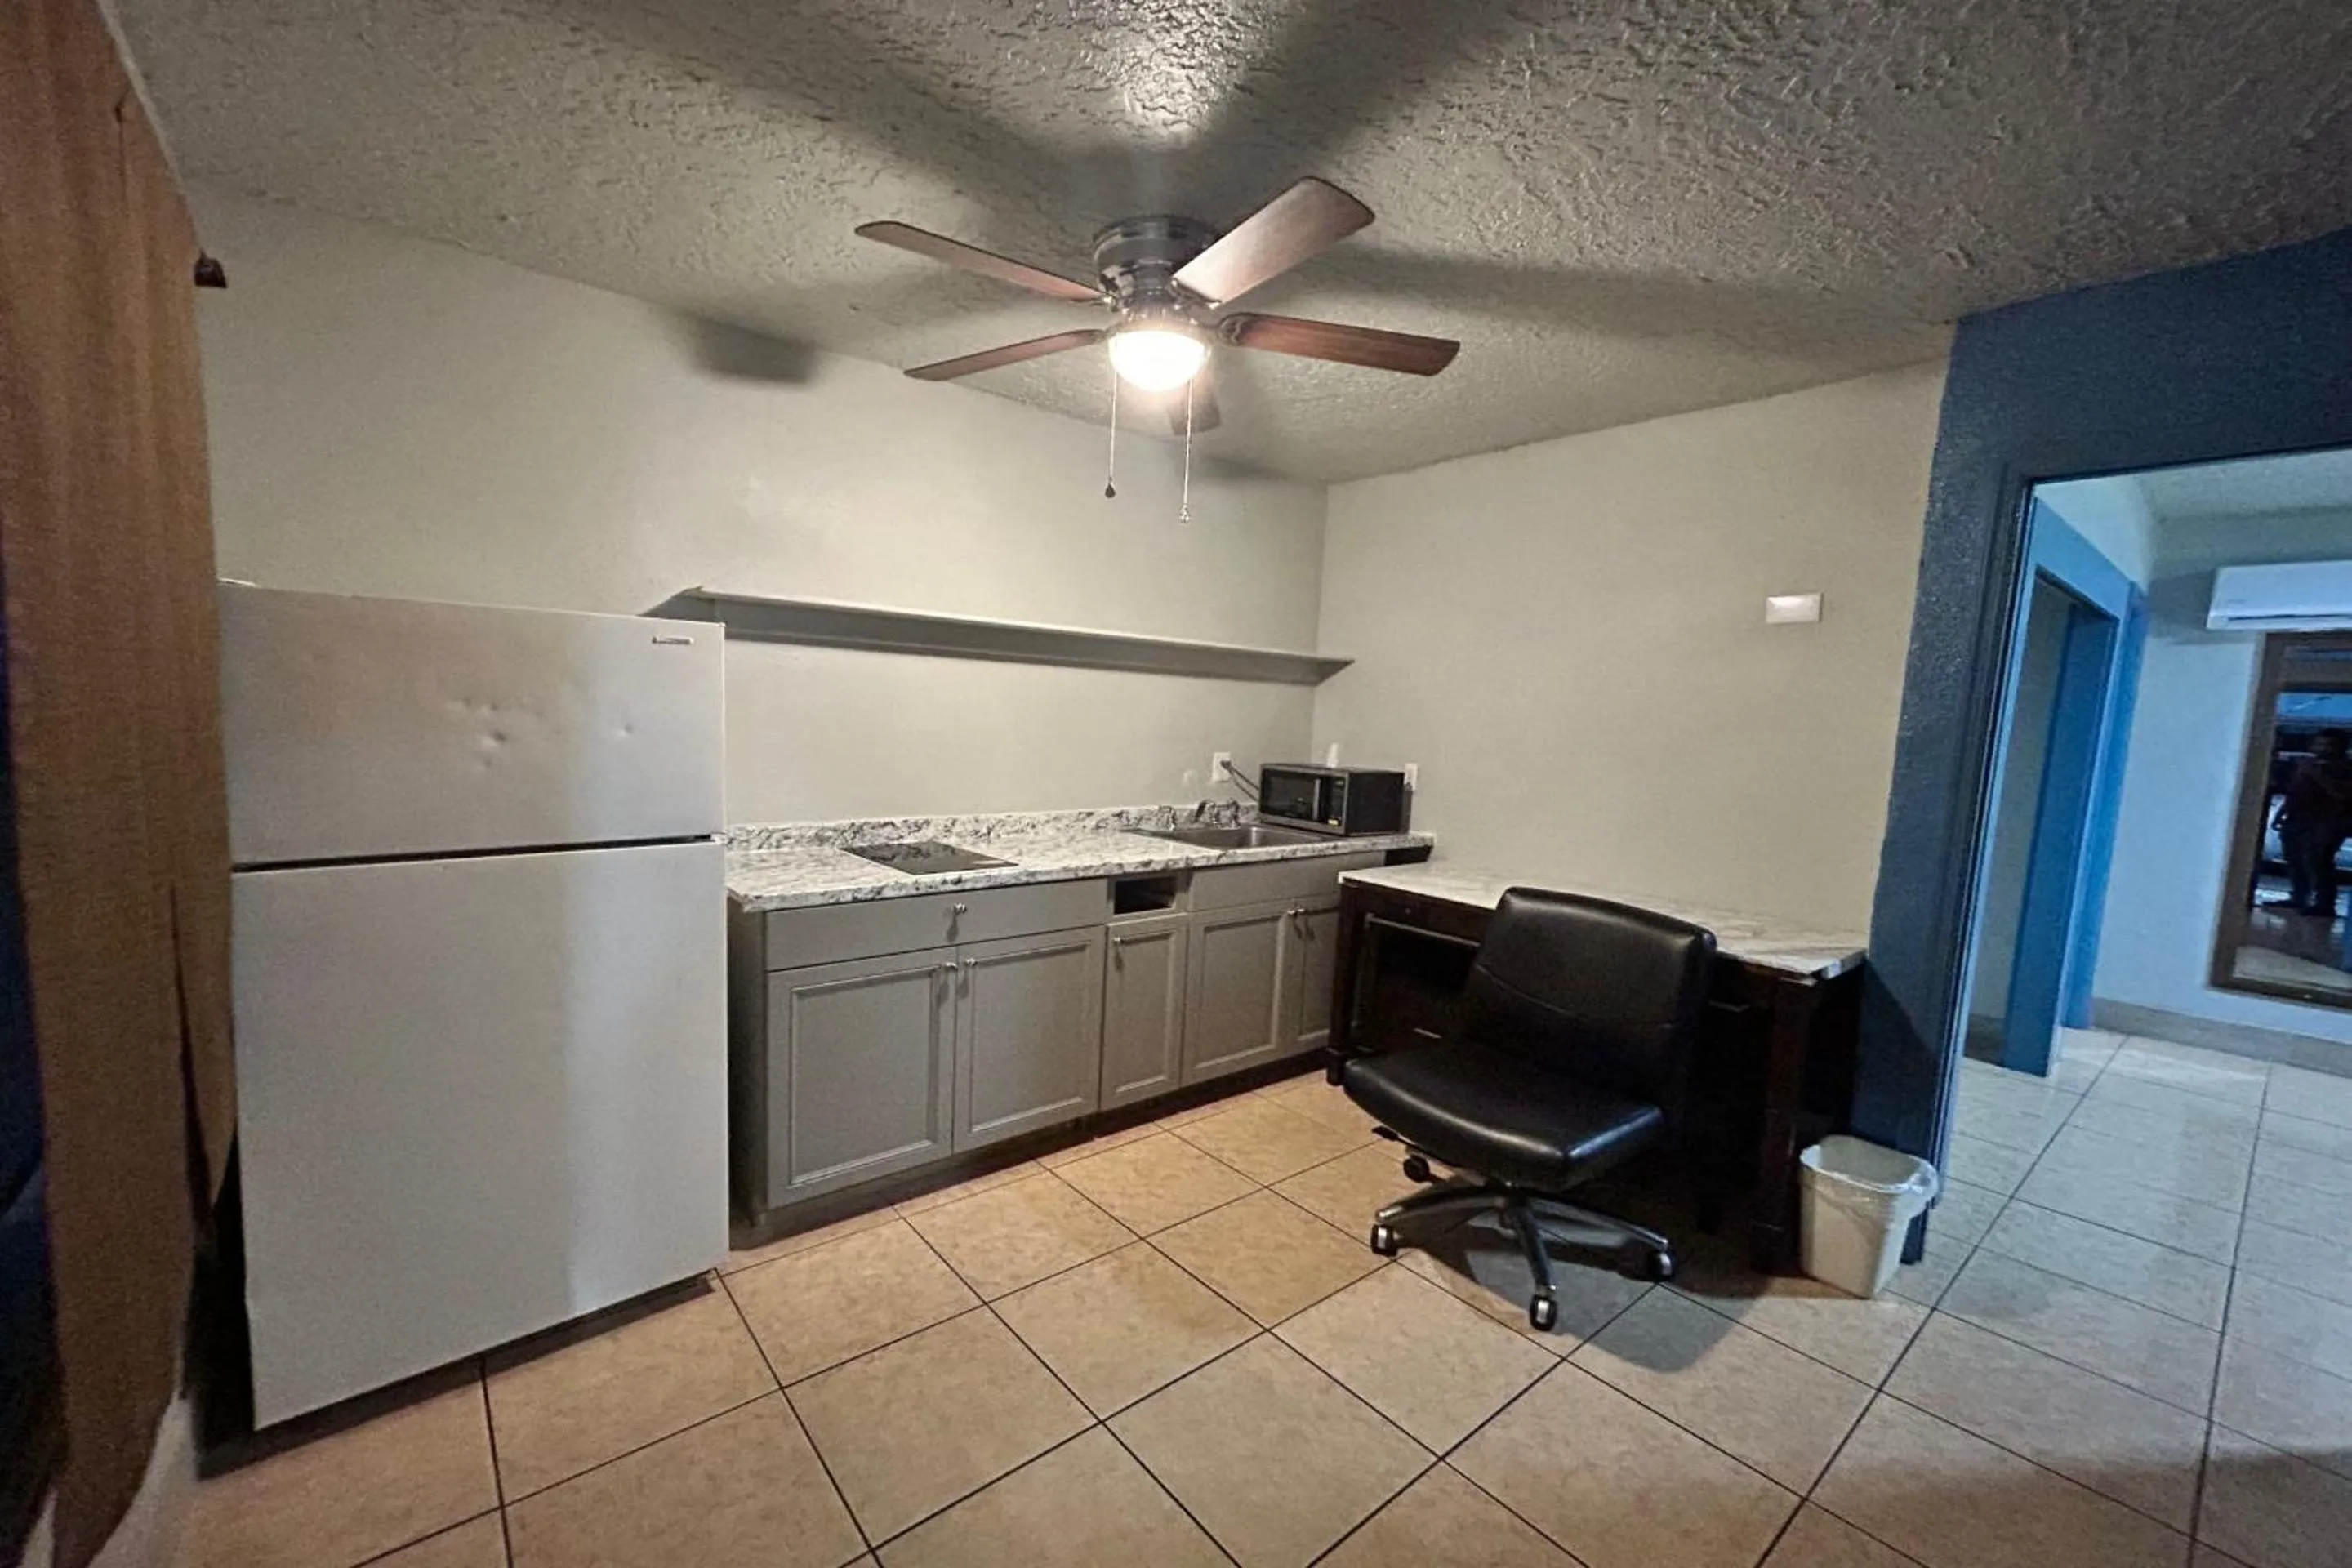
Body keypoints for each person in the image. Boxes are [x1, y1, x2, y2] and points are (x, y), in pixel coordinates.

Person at [2270, 728, 2352, 916]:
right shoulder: (2309, 764)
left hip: (2326, 820)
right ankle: (2299, 896)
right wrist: (2282, 812)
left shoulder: (2344, 768)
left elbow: (2341, 794)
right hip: (2297, 818)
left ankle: (2324, 902)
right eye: (2319, 743)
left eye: (2328, 745)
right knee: (2294, 858)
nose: (2321, 748)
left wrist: (2316, 774)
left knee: (2318, 860)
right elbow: (2295, 791)